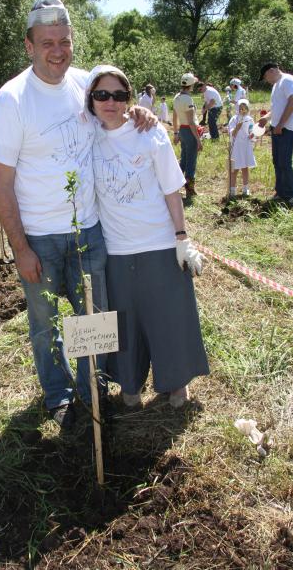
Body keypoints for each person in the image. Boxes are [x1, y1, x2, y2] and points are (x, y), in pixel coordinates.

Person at [0, 0, 155, 429]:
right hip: (39, 237)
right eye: (47, 43)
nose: (57, 51)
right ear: (29, 45)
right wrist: (20, 248)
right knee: (46, 323)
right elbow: (0, 183)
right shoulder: (11, 100)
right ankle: (59, 395)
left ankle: (91, 390)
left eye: (64, 41)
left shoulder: (86, 84)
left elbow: (115, 111)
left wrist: (139, 113)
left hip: (89, 233)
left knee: (94, 317)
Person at [86, 65, 209, 409]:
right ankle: (129, 383)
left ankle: (176, 383)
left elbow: (172, 189)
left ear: (129, 98)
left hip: (158, 241)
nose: (110, 102)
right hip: (115, 248)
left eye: (119, 95)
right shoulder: (86, 135)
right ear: (91, 99)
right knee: (124, 321)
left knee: (168, 315)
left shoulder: (149, 133)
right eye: (101, 94)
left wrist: (182, 237)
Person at [258, 63, 293, 207]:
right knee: (277, 161)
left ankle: (290, 195)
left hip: (287, 128)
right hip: (277, 128)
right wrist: (267, 118)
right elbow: (276, 107)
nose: (266, 80)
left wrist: (281, 124)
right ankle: (280, 192)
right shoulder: (276, 85)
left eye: (265, 76)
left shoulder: (287, 80)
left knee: (284, 162)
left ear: (272, 70)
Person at [173, 73, 203, 198]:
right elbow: (191, 122)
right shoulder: (188, 99)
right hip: (190, 131)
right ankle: (190, 190)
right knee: (191, 161)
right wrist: (198, 140)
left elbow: (174, 117)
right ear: (190, 85)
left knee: (184, 159)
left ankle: (173, 185)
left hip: (182, 130)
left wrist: (176, 133)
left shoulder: (176, 98)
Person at [228, 99, 256, 197]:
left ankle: (245, 189)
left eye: (244, 108)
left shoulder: (249, 119)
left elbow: (251, 130)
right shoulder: (234, 119)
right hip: (236, 146)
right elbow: (232, 133)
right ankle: (232, 190)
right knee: (234, 168)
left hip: (246, 145)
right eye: (240, 108)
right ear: (238, 109)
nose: (242, 110)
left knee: (245, 167)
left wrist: (252, 135)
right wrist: (237, 128)